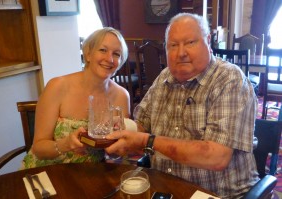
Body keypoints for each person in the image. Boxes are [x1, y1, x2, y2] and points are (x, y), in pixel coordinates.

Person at [105, 13, 259, 198]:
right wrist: (121, 129)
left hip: (218, 193)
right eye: (173, 45)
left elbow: (217, 157)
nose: (181, 52)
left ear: (207, 41)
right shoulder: (164, 77)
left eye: (190, 42)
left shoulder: (229, 80)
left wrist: (148, 141)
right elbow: (141, 125)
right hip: (164, 189)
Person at [21, 27, 130, 169]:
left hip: (90, 174)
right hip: (46, 173)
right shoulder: (58, 86)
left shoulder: (121, 96)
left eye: (116, 54)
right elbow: (39, 148)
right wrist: (65, 144)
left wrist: (119, 149)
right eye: (103, 50)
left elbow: (116, 152)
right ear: (88, 54)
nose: (109, 59)